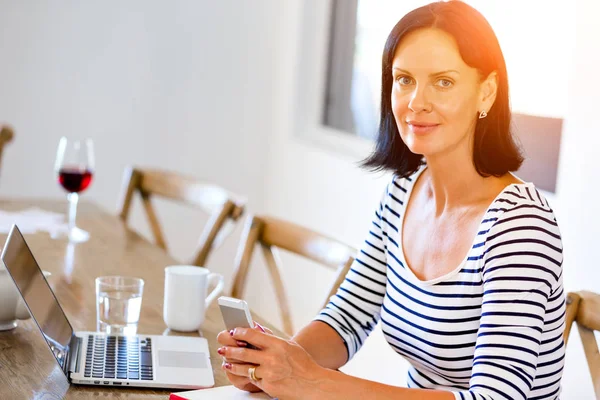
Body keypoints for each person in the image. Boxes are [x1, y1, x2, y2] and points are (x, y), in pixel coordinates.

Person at [217, 1, 565, 399]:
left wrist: (312, 381)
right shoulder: (404, 191)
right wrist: (279, 364)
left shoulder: (520, 225)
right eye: (404, 79)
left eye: (444, 81)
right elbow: (346, 318)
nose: (416, 101)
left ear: (486, 92)